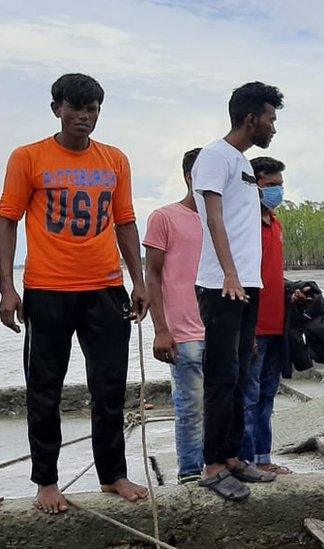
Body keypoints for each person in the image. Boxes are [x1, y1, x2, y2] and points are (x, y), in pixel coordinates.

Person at [0, 73, 150, 513]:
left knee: (110, 387)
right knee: (44, 388)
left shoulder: (115, 160)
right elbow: (7, 220)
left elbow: (125, 221)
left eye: (93, 109)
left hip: (105, 289)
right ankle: (46, 480)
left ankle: (113, 475)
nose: (84, 117)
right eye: (76, 108)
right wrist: (7, 287)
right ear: (56, 109)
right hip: (47, 289)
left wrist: (139, 282)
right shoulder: (28, 157)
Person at [193, 81, 284, 501]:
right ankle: (212, 465)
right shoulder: (215, 157)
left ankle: (232, 457)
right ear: (251, 119)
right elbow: (213, 218)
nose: (273, 127)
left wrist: (248, 278)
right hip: (221, 285)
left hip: (248, 284)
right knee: (220, 375)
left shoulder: (244, 165)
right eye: (270, 119)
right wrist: (229, 273)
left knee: (241, 374)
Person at [143, 147, 206, 485]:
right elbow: (152, 275)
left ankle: (219, 465)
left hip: (220, 329)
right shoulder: (164, 217)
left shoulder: (221, 221)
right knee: (190, 407)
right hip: (183, 332)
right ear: (188, 177)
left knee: (224, 403)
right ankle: (190, 473)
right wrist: (160, 330)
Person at [238, 156, 298, 474]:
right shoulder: (244, 223)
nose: (276, 191)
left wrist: (293, 291)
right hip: (253, 325)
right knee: (248, 396)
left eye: (279, 185)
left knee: (267, 395)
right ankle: (246, 460)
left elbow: (273, 274)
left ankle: (263, 458)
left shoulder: (274, 222)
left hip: (277, 325)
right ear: (253, 185)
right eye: (270, 185)